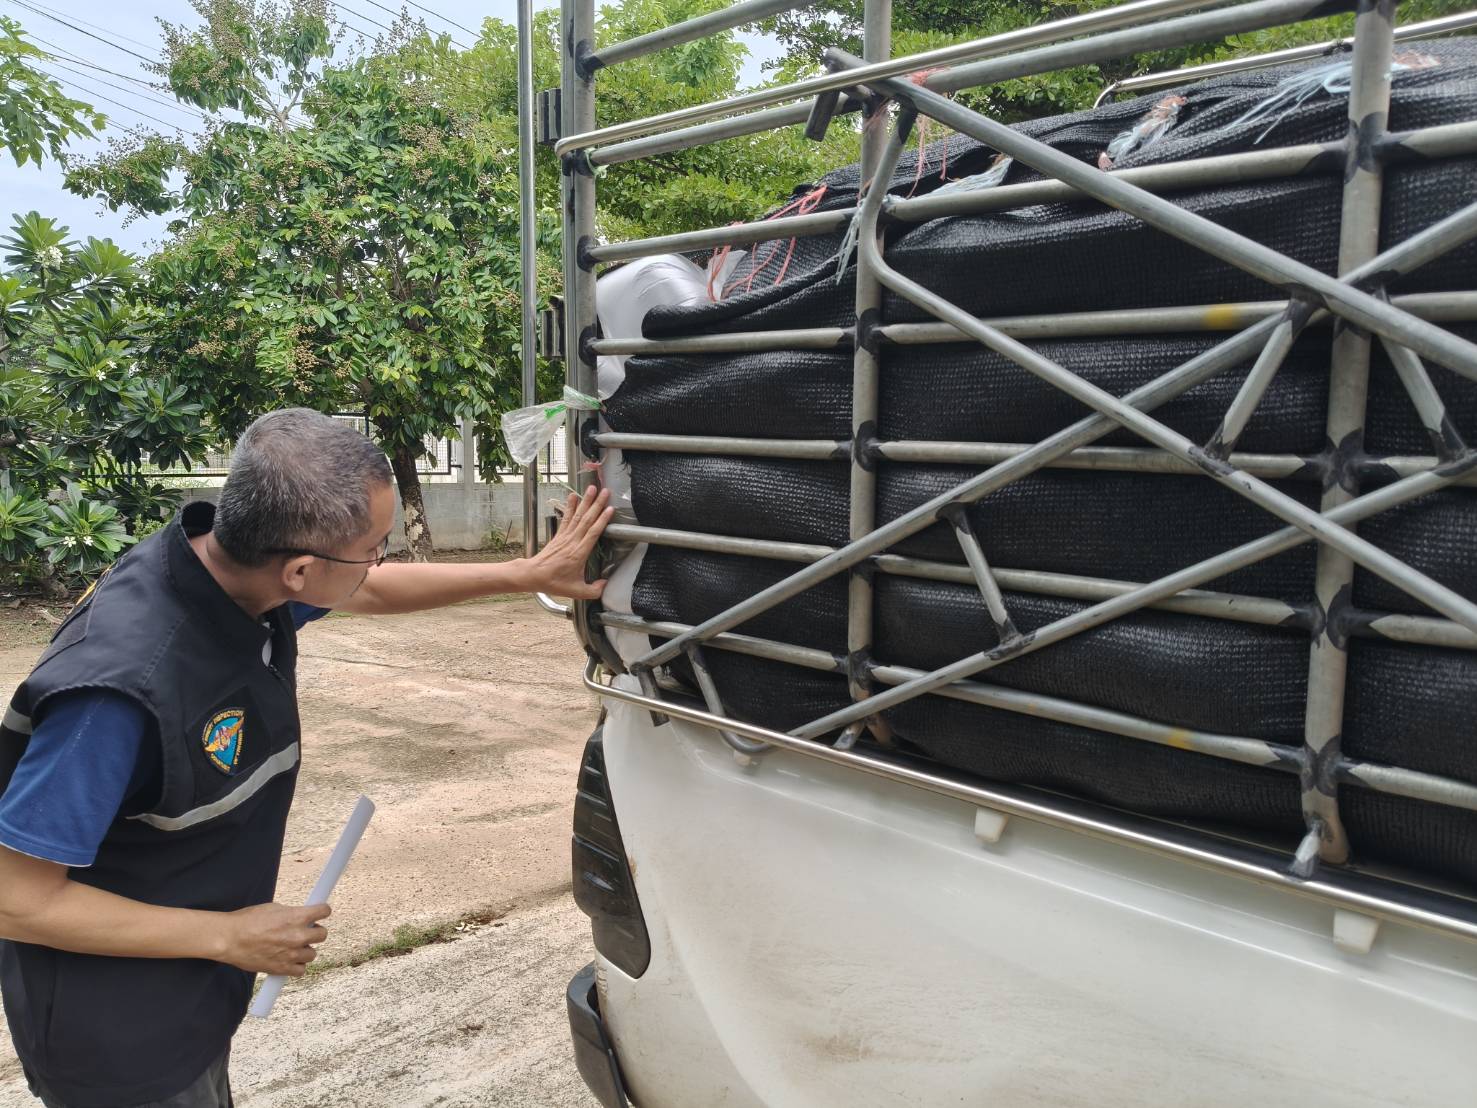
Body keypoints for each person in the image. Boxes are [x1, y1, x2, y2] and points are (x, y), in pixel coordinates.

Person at [0, 409, 612, 1107]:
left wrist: (527, 572)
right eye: (376, 546)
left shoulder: (226, 573)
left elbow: (364, 589)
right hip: (116, 1037)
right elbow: (16, 901)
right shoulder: (116, 695)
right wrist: (229, 936)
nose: (380, 561)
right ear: (299, 569)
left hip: (189, 984)